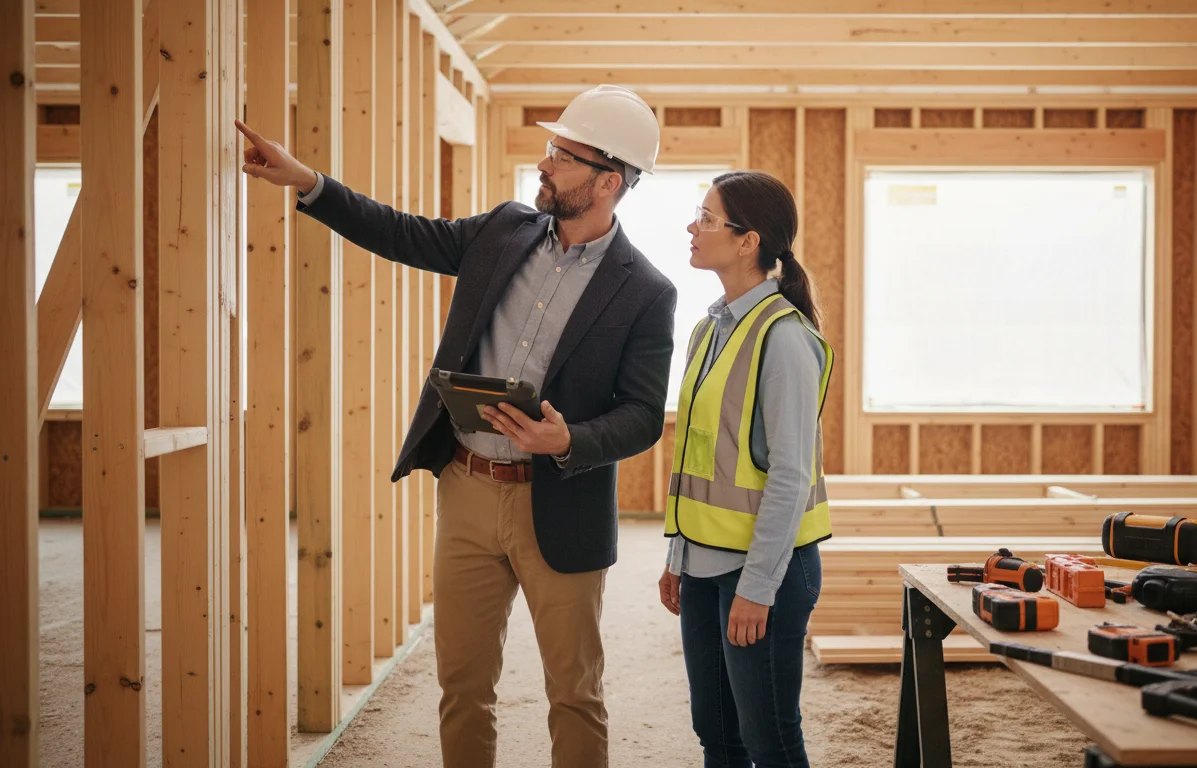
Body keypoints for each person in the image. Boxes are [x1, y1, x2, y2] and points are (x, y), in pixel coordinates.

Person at [235, 84, 677, 768]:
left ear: (609, 180)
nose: (545, 162)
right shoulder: (504, 230)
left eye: (563, 154)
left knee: (574, 693)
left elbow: (645, 415)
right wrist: (309, 182)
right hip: (467, 489)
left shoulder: (648, 291)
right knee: (462, 687)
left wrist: (568, 441)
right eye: (549, 149)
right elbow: (404, 232)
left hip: (561, 506)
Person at [658, 170, 834, 768]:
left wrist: (757, 589)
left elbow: (791, 476)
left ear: (747, 241)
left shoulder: (783, 338)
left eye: (707, 218)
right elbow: (700, 457)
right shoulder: (709, 329)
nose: (692, 226)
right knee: (716, 731)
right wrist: (678, 557)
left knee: (771, 741)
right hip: (703, 565)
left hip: (765, 575)